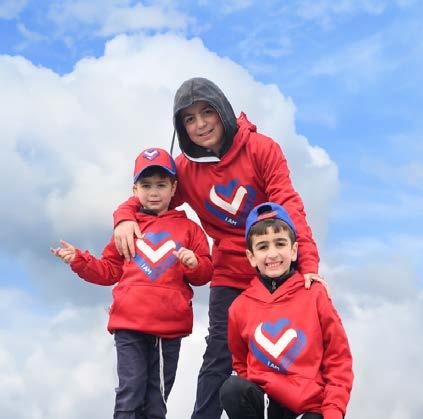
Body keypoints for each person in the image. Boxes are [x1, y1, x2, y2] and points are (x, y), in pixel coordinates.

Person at [112, 77, 324, 419]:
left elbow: (288, 204)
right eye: (189, 119)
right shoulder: (184, 170)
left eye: (207, 112)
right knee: (219, 352)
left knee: (283, 351)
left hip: (274, 265)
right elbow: (152, 198)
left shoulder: (262, 149)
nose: (200, 124)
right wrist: (123, 217)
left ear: (222, 110)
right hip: (229, 270)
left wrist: (308, 263)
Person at [51, 147, 213, 419]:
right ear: (134, 189)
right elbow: (108, 271)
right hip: (129, 324)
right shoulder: (126, 229)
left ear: (174, 188)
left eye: (161, 185)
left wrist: (194, 264)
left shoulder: (190, 229)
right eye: (146, 185)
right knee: (130, 391)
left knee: (156, 400)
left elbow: (204, 274)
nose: (153, 192)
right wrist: (79, 260)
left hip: (167, 329)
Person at [220, 202, 353, 419]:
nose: (272, 254)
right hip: (266, 404)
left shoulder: (315, 295)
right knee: (232, 388)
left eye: (280, 243)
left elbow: (338, 359)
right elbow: (241, 363)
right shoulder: (240, 307)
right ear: (251, 257)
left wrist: (333, 412)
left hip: (308, 408)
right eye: (263, 247)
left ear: (293, 251)